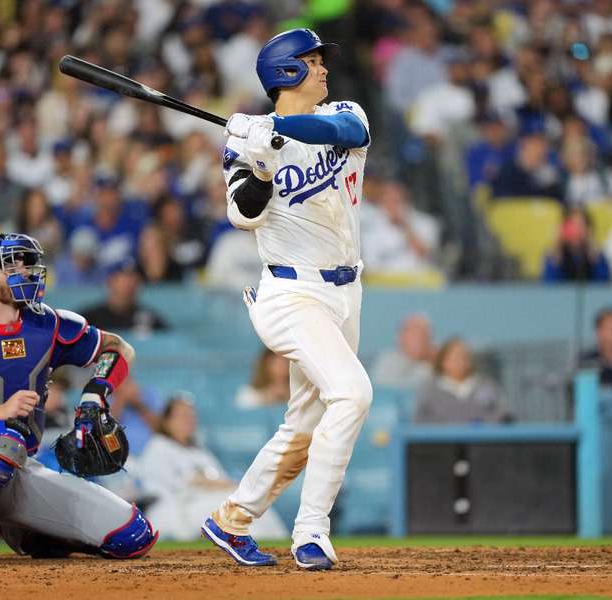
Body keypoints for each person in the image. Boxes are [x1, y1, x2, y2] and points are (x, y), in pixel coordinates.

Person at [201, 28, 372, 571]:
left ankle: (233, 516)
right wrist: (258, 164)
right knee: (351, 393)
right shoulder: (246, 143)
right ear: (286, 71)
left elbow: (343, 129)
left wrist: (275, 127)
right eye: (313, 61)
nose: (323, 69)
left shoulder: (346, 112)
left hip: (346, 289)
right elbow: (243, 213)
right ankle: (311, 532)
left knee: (303, 423)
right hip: (290, 292)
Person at [0, 233, 156, 563]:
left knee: (133, 536)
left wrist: (94, 396)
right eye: (12, 265)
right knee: (3, 441)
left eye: (27, 264)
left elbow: (120, 349)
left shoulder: (47, 324)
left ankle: (25, 532)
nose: (26, 271)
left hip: (21, 468)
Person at [137, 396, 287, 541]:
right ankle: (257, 547)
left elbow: (219, 478)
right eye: (183, 416)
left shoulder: (199, 451)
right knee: (236, 509)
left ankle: (280, 545)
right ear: (167, 421)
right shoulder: (158, 446)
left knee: (251, 504)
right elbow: (174, 484)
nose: (188, 421)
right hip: (181, 508)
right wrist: (206, 482)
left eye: (191, 416)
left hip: (208, 499)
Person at [413, 337, 508, 424]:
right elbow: (421, 420)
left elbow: (501, 415)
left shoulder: (487, 386)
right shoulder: (429, 390)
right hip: (442, 441)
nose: (459, 362)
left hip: (483, 440)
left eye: (463, 356)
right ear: (443, 361)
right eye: (454, 357)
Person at [79, 258, 169, 335]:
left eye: (135, 278)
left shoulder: (150, 319)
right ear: (111, 281)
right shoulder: (89, 318)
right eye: (124, 277)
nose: (130, 283)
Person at [543, 206, 612, 282]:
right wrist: (557, 247)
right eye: (571, 225)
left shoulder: (596, 253)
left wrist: (593, 252)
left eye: (580, 225)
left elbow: (604, 283)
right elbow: (549, 285)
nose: (575, 231)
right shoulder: (554, 254)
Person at [370, 313, 435, 389]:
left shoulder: (437, 361)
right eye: (412, 333)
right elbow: (382, 388)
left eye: (422, 335)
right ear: (400, 337)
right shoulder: (388, 360)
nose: (417, 340)